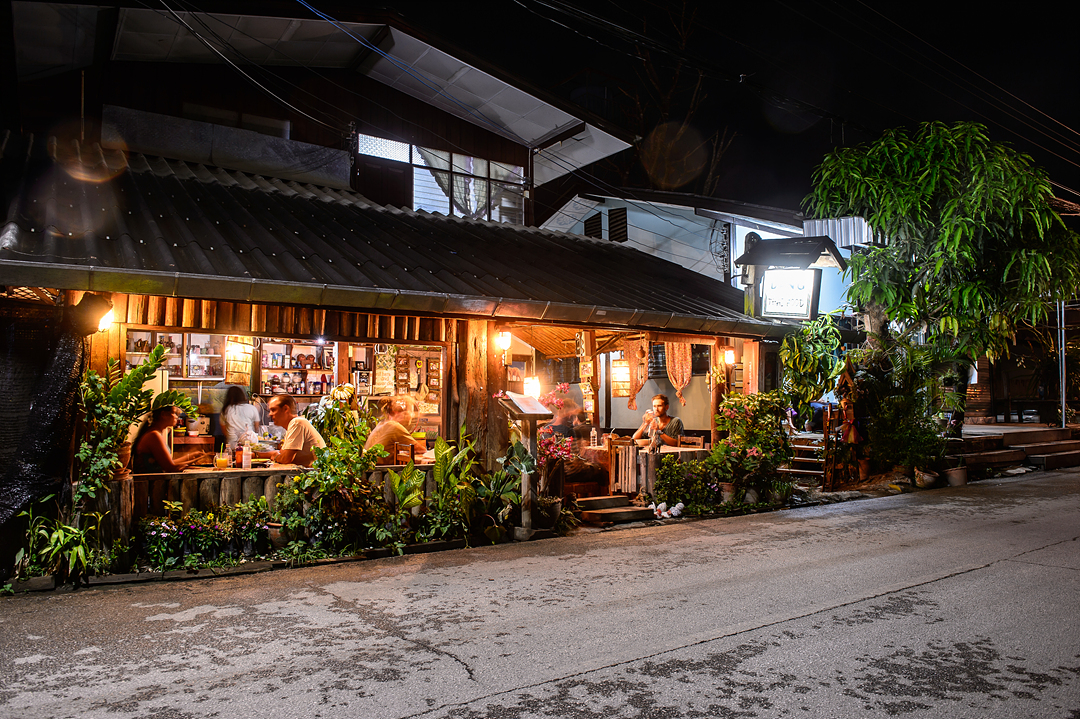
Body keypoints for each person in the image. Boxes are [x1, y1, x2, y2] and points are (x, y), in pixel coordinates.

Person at [133, 405, 205, 473]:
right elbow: (170, 467)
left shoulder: (156, 433)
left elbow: (169, 463)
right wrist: (196, 462)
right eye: (174, 413)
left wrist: (190, 456)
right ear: (164, 414)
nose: (176, 417)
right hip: (149, 481)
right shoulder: (154, 435)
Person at [364, 395, 428, 465]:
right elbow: (421, 450)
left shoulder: (382, 424)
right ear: (401, 413)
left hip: (370, 469)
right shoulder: (395, 427)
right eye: (411, 411)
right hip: (380, 470)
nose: (412, 415)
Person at [267, 394, 325, 467]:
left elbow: (285, 459)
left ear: (285, 409)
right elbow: (282, 453)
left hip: (313, 473)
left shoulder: (297, 423)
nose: (270, 414)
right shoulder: (292, 425)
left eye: (273, 410)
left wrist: (275, 457)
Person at [220, 385, 260, 450]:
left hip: (232, 445)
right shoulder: (252, 408)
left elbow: (224, 431)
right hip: (249, 444)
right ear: (242, 396)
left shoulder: (226, 410)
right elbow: (257, 428)